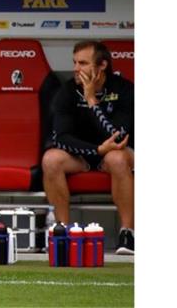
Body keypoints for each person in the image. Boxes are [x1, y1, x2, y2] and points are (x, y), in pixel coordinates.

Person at [41, 40, 134, 255]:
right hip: (84, 155)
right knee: (51, 159)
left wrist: (92, 100)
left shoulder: (125, 89)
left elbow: (118, 136)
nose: (76, 68)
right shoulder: (67, 90)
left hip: (116, 154)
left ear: (102, 65)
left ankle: (128, 233)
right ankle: (63, 231)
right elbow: (60, 138)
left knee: (117, 158)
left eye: (83, 63)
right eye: (74, 62)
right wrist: (96, 150)